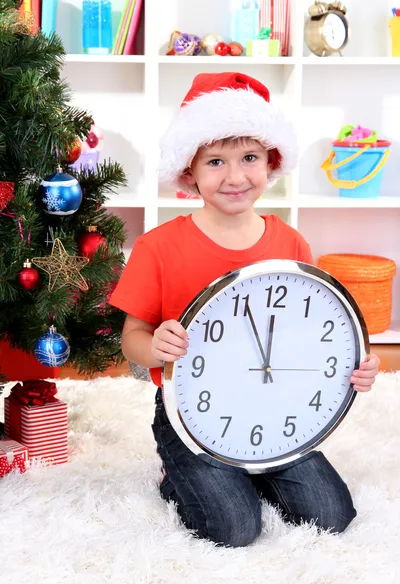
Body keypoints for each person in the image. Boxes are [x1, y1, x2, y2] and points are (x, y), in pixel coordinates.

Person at [109, 72, 380, 548]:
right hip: (192, 413)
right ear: (189, 171)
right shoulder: (159, 247)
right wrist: (153, 345)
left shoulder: (290, 242)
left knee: (332, 515)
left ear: (270, 161)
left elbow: (312, 328)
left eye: (249, 158)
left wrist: (356, 364)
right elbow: (132, 339)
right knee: (234, 530)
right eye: (216, 161)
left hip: (276, 407)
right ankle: (179, 472)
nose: (235, 177)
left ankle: (248, 468)